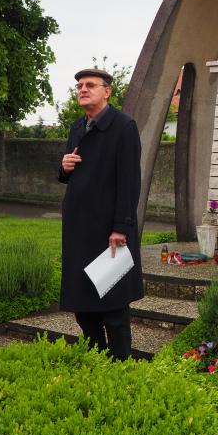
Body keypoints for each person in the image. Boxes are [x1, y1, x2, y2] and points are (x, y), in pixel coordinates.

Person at [59, 68, 143, 360]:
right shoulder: (77, 127)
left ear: (107, 91)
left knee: (114, 308)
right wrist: (64, 167)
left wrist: (121, 227)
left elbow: (130, 182)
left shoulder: (124, 126)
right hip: (79, 231)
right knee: (83, 306)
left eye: (90, 85)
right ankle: (96, 361)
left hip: (109, 231)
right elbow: (70, 172)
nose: (82, 89)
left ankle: (120, 366)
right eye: (79, 86)